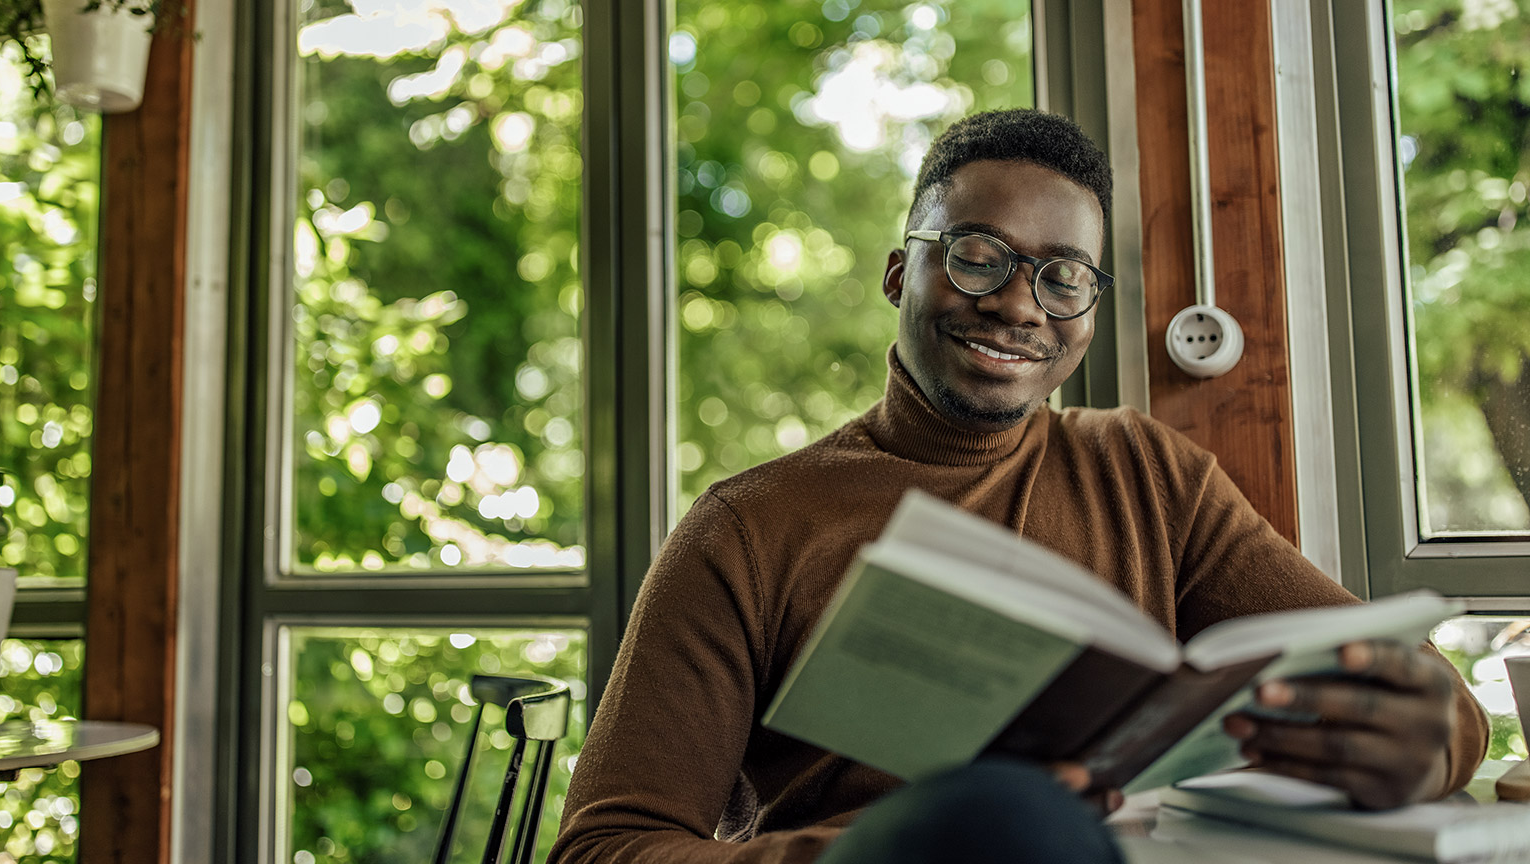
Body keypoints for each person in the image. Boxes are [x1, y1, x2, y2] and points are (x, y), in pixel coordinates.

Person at [546, 109, 1489, 864]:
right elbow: (604, 846)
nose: (1017, 302)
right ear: (897, 271)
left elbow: (1446, 706)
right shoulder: (745, 529)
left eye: (1062, 276)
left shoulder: (1148, 475)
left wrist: (1425, 740)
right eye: (976, 254)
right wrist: (880, 852)